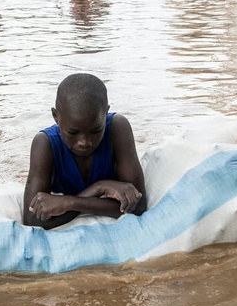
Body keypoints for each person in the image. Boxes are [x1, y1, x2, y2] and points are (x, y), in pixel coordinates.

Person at [22, 73, 146, 229]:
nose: (85, 142)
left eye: (96, 130)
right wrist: (99, 188)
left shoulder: (117, 128)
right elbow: (32, 220)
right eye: (73, 133)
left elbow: (139, 206)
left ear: (105, 112)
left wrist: (69, 203)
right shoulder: (45, 143)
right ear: (56, 117)